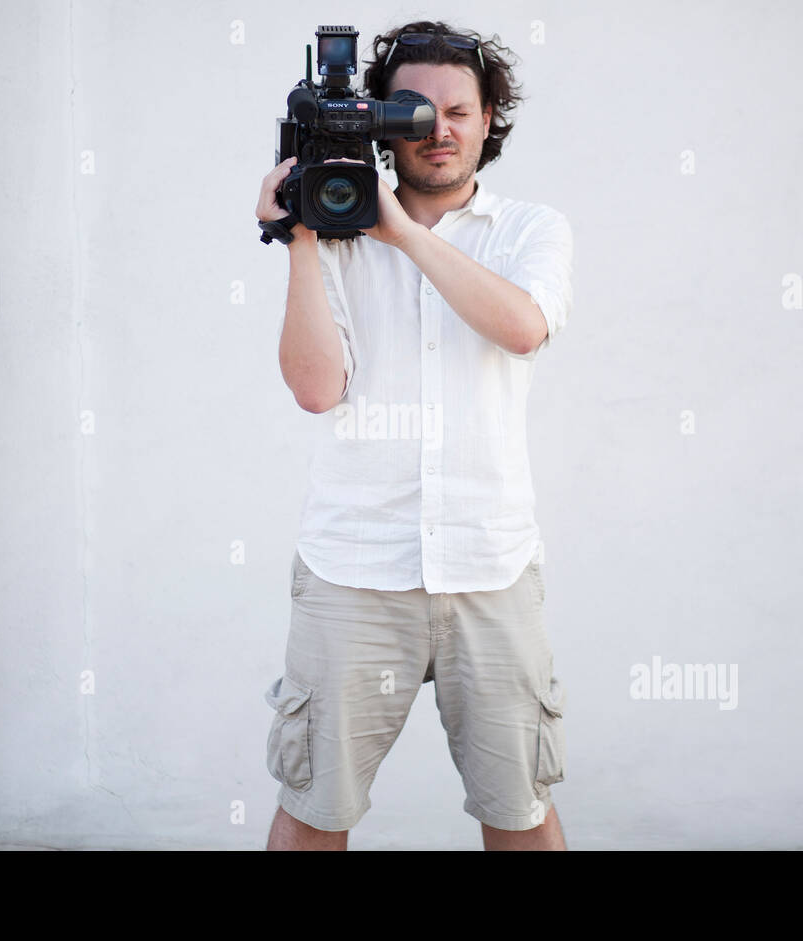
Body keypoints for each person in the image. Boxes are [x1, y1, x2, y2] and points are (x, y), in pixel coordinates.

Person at [254, 20, 573, 851]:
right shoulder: (333, 238)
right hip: (354, 569)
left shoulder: (531, 230)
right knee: (313, 811)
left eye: (460, 111)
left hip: (489, 566)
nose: (439, 129)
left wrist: (400, 229)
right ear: (377, 121)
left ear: (489, 117)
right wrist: (299, 235)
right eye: (415, 111)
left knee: (520, 813)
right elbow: (316, 388)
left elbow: (522, 327)